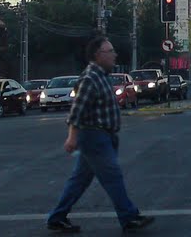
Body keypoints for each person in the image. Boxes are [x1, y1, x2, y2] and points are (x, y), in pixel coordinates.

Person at [46, 36, 154, 234]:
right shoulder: (89, 79)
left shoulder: (101, 76)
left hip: (104, 136)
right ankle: (129, 217)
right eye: (110, 51)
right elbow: (77, 111)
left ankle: (57, 217)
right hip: (94, 137)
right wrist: (72, 137)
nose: (114, 55)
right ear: (98, 55)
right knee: (113, 177)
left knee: (79, 180)